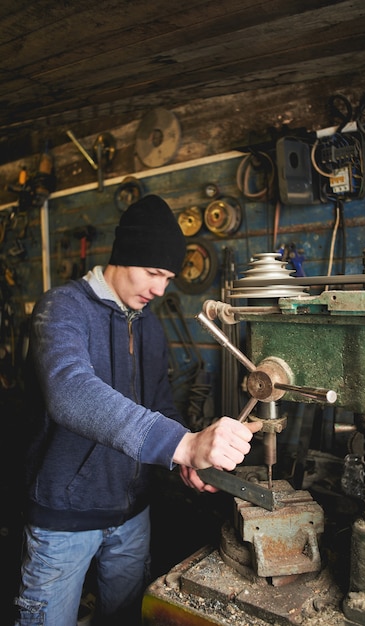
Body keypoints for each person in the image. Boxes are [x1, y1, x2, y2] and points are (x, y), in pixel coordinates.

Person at [14, 194, 261, 626]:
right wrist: (183, 444)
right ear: (122, 256)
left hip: (132, 517)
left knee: (127, 619)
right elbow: (69, 392)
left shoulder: (148, 323)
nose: (160, 289)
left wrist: (183, 460)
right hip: (64, 520)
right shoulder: (62, 308)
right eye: (152, 273)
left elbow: (160, 403)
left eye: (167, 276)